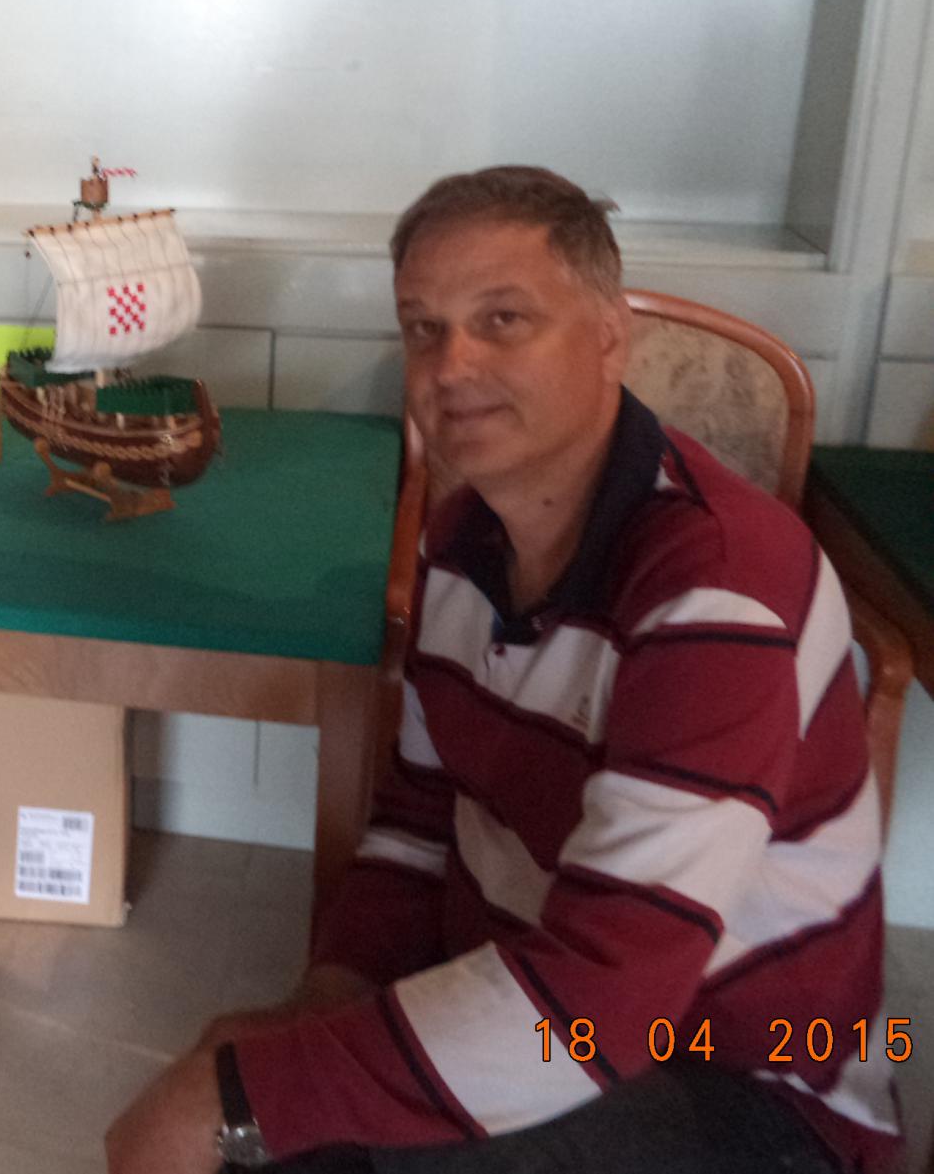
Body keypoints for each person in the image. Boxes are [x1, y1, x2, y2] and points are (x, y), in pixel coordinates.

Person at [105, 167, 898, 1173]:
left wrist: (232, 1101)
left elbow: (606, 996)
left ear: (609, 336)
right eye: (423, 328)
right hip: (551, 999)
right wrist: (329, 993)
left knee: (253, 1123)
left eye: (503, 319)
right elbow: (420, 816)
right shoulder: (461, 541)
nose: (452, 364)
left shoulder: (718, 591)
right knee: (274, 1108)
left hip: (742, 1075)